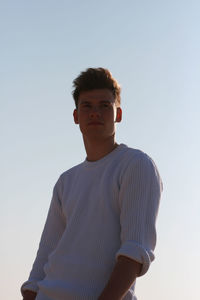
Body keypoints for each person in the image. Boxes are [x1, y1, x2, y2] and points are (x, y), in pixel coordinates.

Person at [21, 68, 162, 300]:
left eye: (105, 105)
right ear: (76, 116)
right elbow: (43, 260)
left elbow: (134, 252)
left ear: (119, 114)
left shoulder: (136, 165)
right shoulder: (66, 182)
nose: (95, 112)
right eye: (87, 106)